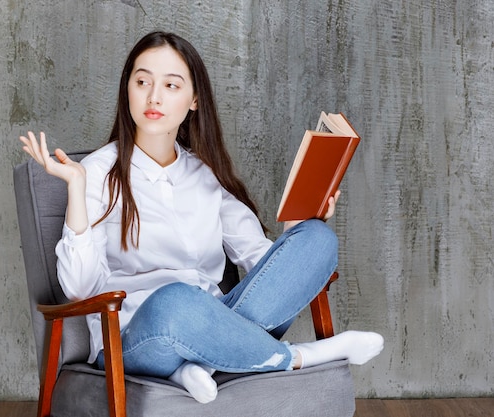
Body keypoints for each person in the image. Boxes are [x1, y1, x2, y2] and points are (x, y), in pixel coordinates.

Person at [19, 31, 383, 404]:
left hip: (218, 320)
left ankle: (197, 365)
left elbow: (261, 263)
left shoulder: (205, 173)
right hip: (141, 336)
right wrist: (76, 188)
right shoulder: (98, 171)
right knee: (178, 301)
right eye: (142, 81)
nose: (153, 97)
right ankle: (305, 355)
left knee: (317, 240)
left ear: (194, 99)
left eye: (171, 85)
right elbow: (79, 288)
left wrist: (296, 233)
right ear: (127, 89)